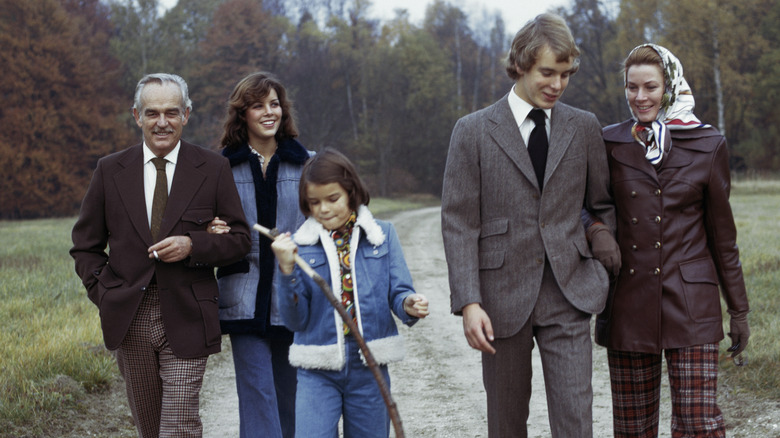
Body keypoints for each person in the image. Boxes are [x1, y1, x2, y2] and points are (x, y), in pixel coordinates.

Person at [440, 13, 617, 438]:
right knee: (506, 422)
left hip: (569, 292)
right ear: (520, 64)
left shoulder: (584, 126)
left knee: (576, 419)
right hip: (499, 301)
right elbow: (459, 222)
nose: (557, 84)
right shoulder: (473, 131)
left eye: (565, 74)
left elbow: (601, 205)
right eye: (547, 72)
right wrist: (469, 302)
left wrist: (596, 263)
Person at [70, 73, 251, 437]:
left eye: (172, 112)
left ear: (186, 114)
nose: (162, 122)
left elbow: (240, 240)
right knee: (149, 428)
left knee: (179, 425)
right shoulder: (110, 170)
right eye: (152, 113)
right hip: (128, 315)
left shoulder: (213, 168)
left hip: (189, 312)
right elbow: (85, 247)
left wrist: (193, 245)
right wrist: (105, 295)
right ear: (136, 116)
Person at [592, 43, 750, 437]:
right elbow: (586, 206)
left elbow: (722, 238)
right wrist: (595, 231)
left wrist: (739, 310)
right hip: (628, 302)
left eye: (650, 87)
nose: (640, 97)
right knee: (632, 428)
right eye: (631, 87)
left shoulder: (708, 144)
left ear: (671, 86)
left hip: (692, 304)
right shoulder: (610, 143)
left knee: (700, 425)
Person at [270, 148, 429, 437]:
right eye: (314, 202)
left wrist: (409, 304)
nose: (324, 209)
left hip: (369, 365)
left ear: (351, 192)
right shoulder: (298, 246)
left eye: (333, 199)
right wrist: (286, 270)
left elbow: (399, 291)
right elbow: (295, 320)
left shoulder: (382, 236)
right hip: (316, 367)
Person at [207, 72, 312, 438]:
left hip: (294, 292)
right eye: (257, 105)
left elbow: (328, 219)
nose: (269, 112)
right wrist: (211, 230)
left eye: (274, 104)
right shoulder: (220, 167)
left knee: (293, 393)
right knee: (256, 393)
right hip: (243, 296)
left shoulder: (307, 164)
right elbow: (204, 219)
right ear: (243, 114)